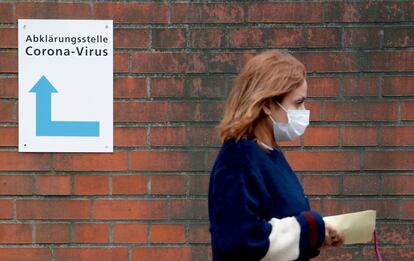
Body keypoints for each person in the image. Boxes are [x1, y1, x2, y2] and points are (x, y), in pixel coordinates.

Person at [208, 50, 344, 261]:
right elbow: (239, 241)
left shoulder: (270, 155)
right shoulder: (238, 158)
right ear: (268, 104)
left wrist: (319, 235)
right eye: (298, 103)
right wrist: (312, 228)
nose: (304, 111)